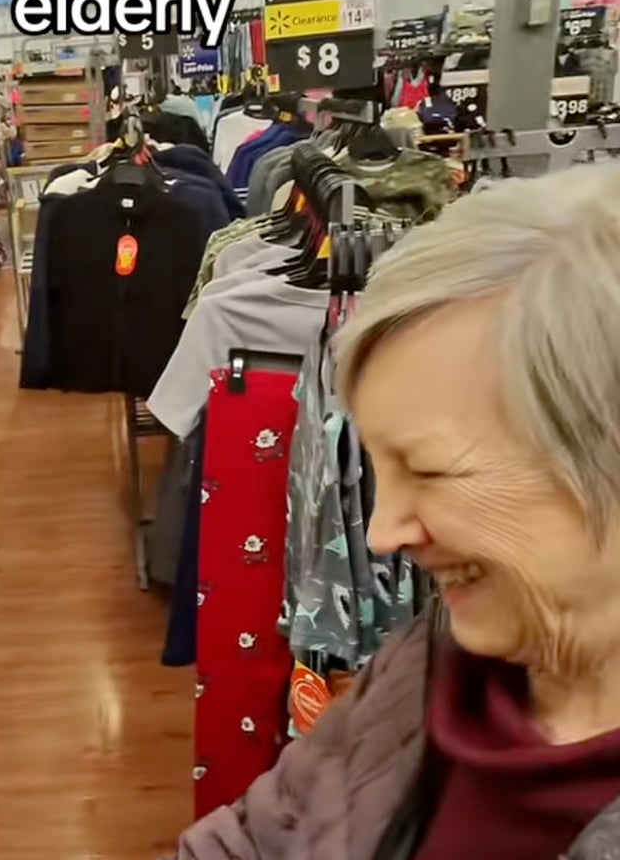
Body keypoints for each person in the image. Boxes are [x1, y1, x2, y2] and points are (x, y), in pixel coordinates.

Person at [174, 167, 620, 858]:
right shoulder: (425, 666)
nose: (382, 534)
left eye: (432, 472)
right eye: (382, 471)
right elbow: (255, 837)